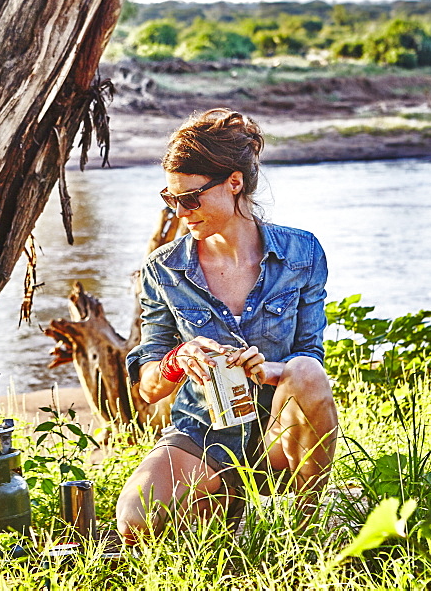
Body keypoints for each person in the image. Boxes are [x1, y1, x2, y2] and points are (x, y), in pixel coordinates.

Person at [115, 108, 338, 541]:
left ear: (234, 182)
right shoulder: (163, 269)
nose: (180, 213)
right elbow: (147, 387)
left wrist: (275, 371)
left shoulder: (303, 252)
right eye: (171, 199)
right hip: (203, 435)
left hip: (279, 435)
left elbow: (311, 357)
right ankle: (221, 500)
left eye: (190, 198)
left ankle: (304, 530)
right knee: (134, 521)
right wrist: (179, 360)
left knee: (306, 372)